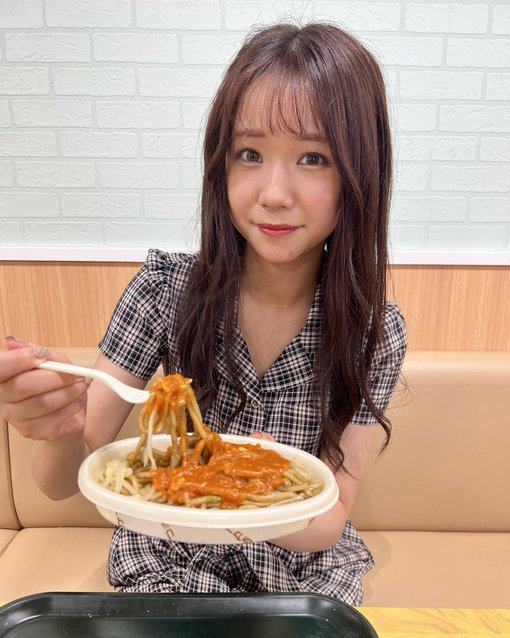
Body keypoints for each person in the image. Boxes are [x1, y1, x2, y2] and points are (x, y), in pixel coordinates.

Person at [0, 22, 406, 606]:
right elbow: (63, 481)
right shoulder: (164, 291)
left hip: (300, 571)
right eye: (250, 154)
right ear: (221, 163)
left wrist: (253, 481)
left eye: (313, 158)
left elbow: (329, 518)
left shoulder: (373, 332)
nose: (274, 193)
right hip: (173, 557)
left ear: (360, 175)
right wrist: (60, 426)